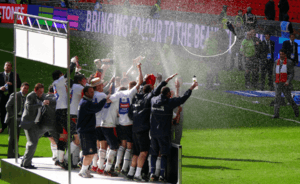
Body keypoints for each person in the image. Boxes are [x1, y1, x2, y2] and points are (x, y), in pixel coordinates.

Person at [127, 73, 177, 181]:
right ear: (150, 92)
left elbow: (130, 114)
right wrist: (166, 80)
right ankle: (137, 175)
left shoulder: (135, 99)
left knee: (135, 153)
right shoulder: (148, 98)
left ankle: (131, 173)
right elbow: (156, 91)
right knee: (143, 152)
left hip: (134, 129)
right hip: (143, 130)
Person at [149, 81, 198, 182]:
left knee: (153, 154)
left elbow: (154, 94)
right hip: (164, 133)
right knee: (163, 154)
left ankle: (152, 174)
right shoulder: (169, 103)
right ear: (168, 94)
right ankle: (162, 175)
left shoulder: (153, 100)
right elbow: (183, 98)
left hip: (153, 132)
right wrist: (191, 88)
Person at [111, 62, 143, 174]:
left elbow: (110, 100)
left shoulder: (119, 93)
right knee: (129, 146)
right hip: (129, 124)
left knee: (122, 145)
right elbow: (140, 82)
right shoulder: (130, 94)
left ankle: (116, 165)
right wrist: (139, 69)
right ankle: (124, 168)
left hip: (120, 124)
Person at [77, 86, 109, 178]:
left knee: (90, 152)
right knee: (89, 153)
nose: (92, 94)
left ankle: (84, 170)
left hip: (88, 131)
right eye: (91, 92)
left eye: (93, 92)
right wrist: (105, 100)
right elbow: (97, 108)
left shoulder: (86, 102)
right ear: (86, 93)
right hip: (86, 132)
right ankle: (83, 171)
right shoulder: (85, 103)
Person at [52, 56, 78, 169]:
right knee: (64, 136)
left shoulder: (57, 83)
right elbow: (68, 74)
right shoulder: (59, 81)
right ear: (60, 75)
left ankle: (60, 159)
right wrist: (72, 63)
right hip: (62, 110)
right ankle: (62, 160)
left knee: (64, 136)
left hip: (61, 110)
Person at [20, 83, 50, 169]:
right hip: (29, 123)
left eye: (42, 91)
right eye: (40, 91)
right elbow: (29, 107)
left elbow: (47, 97)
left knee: (32, 141)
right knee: (33, 143)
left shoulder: (41, 96)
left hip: (36, 123)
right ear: (35, 90)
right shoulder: (30, 96)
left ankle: (25, 162)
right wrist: (42, 103)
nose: (41, 93)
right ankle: (26, 164)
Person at [272, 49, 299, 118]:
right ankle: (276, 114)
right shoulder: (276, 62)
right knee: (277, 99)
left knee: (289, 98)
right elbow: (274, 73)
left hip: (285, 84)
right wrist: (274, 81)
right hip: (278, 83)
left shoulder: (289, 62)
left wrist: (288, 81)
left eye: (282, 54)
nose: (281, 55)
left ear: (285, 55)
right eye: (280, 54)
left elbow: (291, 73)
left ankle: (296, 111)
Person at [5, 82, 29, 158]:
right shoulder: (15, 95)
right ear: (21, 87)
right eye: (24, 88)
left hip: (20, 119)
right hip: (13, 119)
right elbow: (8, 106)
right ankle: (10, 154)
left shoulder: (25, 97)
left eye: (27, 89)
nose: (25, 90)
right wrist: (13, 116)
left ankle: (15, 153)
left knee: (17, 137)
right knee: (12, 137)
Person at [68, 73, 87, 168]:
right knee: (77, 140)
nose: (86, 80)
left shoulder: (73, 86)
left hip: (72, 114)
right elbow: (91, 90)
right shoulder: (79, 88)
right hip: (74, 116)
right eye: (84, 79)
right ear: (80, 81)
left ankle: (73, 162)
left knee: (76, 139)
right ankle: (66, 160)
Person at [0, 62, 22, 133]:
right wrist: (0, 88)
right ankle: (3, 126)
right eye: (6, 65)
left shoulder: (15, 75)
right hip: (2, 96)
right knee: (2, 111)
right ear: (4, 67)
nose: (7, 67)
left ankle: (10, 125)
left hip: (11, 96)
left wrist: (13, 84)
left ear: (11, 68)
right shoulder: (0, 75)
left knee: (11, 111)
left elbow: (19, 85)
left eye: (9, 66)